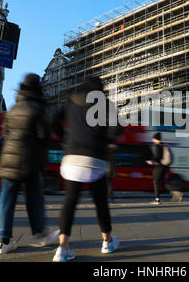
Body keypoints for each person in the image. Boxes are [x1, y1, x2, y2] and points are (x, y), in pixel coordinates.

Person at [51, 77, 122, 262]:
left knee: (70, 202)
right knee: (100, 202)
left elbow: (52, 121)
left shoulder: (71, 102)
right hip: (95, 160)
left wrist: (65, 139)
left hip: (72, 158)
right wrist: (105, 140)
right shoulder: (104, 103)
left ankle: (62, 248)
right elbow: (117, 128)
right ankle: (107, 241)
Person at [0, 74, 59, 255]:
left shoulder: (13, 109)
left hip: (8, 161)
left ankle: (3, 242)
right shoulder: (38, 108)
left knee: (6, 200)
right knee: (34, 198)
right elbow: (43, 136)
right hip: (29, 161)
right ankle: (40, 234)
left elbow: (6, 133)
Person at [147, 132, 180, 204]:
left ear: (155, 139)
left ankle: (157, 199)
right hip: (165, 166)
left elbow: (157, 158)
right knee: (163, 182)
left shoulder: (157, 146)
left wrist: (151, 162)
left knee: (156, 182)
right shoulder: (163, 145)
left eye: (153, 138)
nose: (152, 139)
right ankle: (176, 192)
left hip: (159, 167)